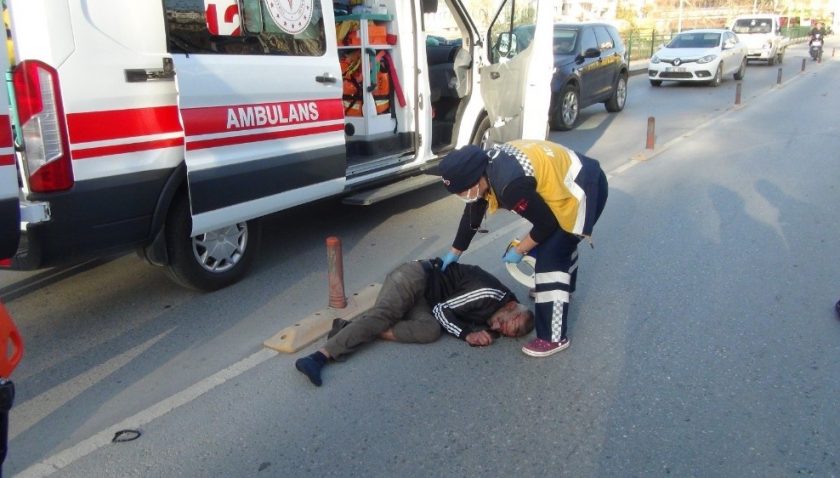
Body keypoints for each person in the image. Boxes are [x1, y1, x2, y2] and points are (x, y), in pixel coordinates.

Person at [437, 140, 608, 358]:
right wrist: (456, 250)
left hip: (583, 191)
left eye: (461, 192)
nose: (461, 197)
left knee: (551, 256)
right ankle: (566, 288)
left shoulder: (510, 186)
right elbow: (474, 210)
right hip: (573, 180)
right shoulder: (483, 168)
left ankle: (552, 338)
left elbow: (546, 224)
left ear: (474, 180)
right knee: (557, 243)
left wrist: (520, 250)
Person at [295, 258, 534, 386]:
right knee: (384, 316)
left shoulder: (502, 310)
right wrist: (467, 335)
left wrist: (486, 334)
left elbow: (444, 314)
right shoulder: (488, 293)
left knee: (430, 331)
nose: (496, 328)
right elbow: (443, 309)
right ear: (511, 307)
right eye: (502, 325)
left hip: (425, 300)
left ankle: (353, 330)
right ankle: (318, 357)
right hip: (414, 278)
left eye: (504, 333)